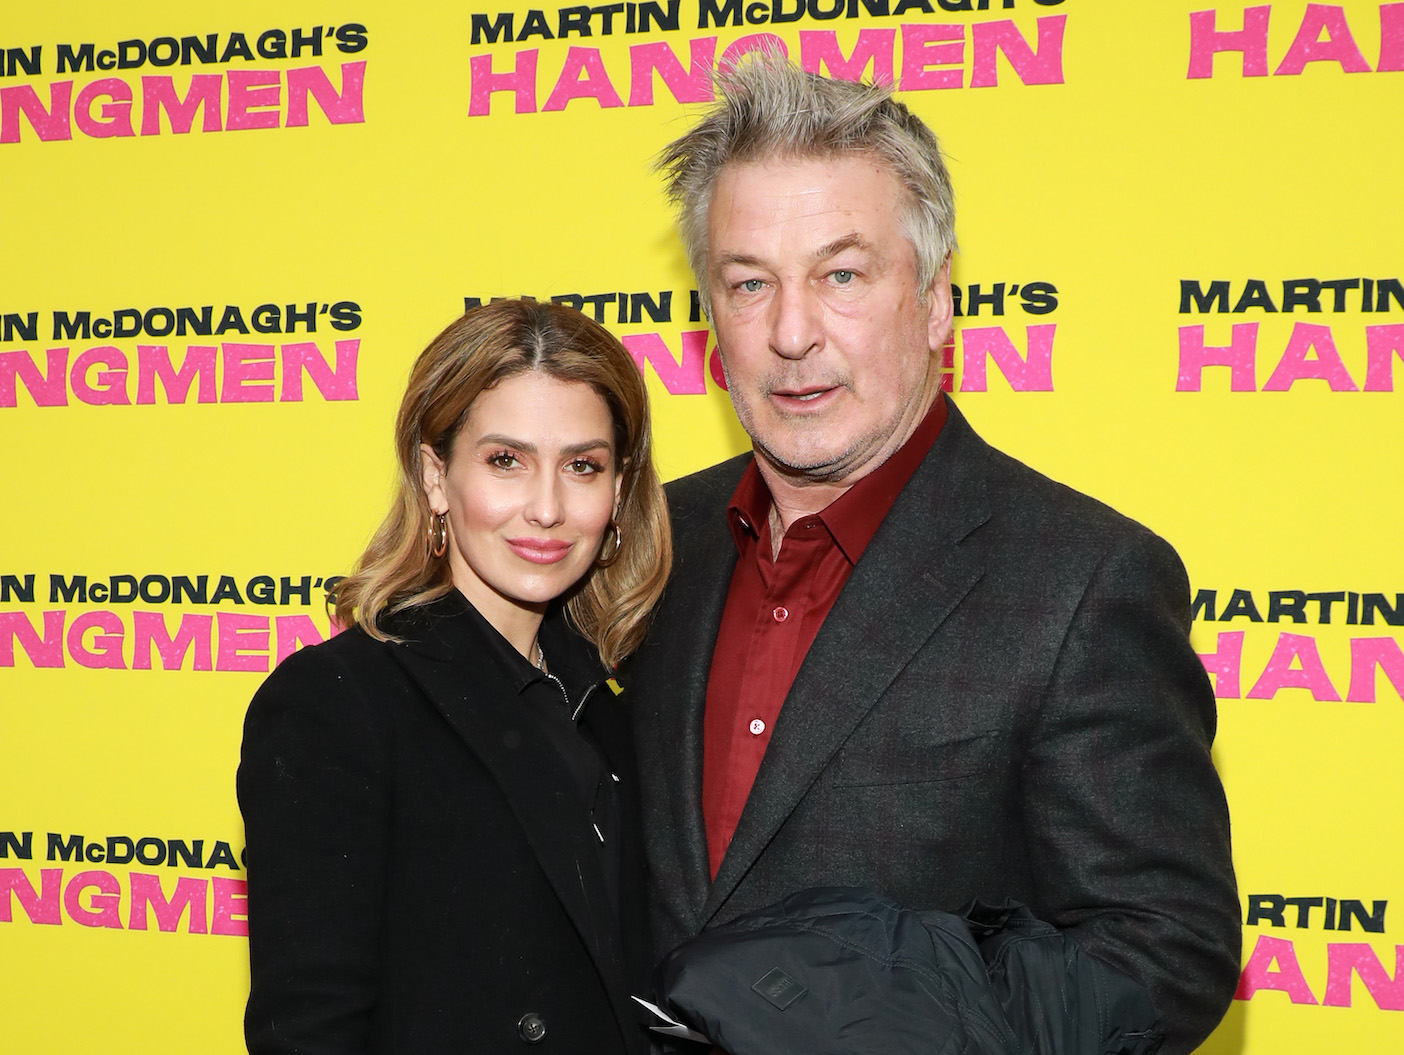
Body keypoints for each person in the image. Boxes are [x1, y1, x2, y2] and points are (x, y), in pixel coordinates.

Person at [625, 56, 1240, 1055]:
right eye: (749, 282)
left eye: (842, 274)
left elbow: (1165, 952)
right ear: (709, 317)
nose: (790, 332)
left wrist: (872, 1012)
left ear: (939, 300)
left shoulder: (1082, 580)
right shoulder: (643, 542)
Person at [238, 299, 670, 1055]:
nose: (547, 508)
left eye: (582, 466)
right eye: (506, 460)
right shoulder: (337, 703)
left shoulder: (613, 704)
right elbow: (309, 1029)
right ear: (436, 478)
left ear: (618, 488)